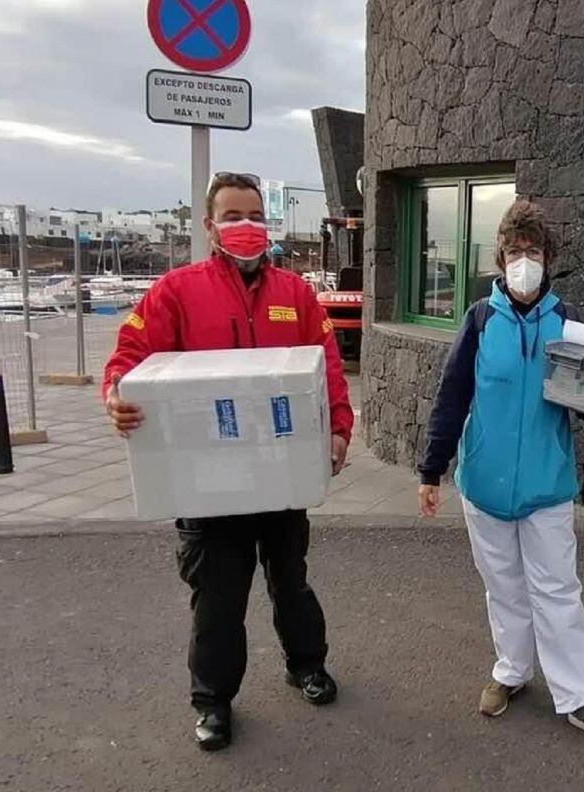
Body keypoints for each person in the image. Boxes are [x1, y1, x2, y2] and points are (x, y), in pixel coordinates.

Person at [103, 173, 354, 751]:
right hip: (206, 479)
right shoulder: (177, 291)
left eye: (253, 215)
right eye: (232, 216)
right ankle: (213, 702)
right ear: (210, 226)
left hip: (280, 469)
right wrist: (117, 394)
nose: (245, 226)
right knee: (218, 598)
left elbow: (327, 368)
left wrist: (338, 429)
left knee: (292, 582)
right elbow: (129, 356)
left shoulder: (295, 293)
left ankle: (306, 665)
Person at [417, 200, 584, 753]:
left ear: (548, 258)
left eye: (532, 252)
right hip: (484, 484)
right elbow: (452, 397)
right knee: (504, 588)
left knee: (557, 591)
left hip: (545, 485)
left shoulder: (567, 322)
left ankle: (580, 695)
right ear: (500, 258)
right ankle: (511, 669)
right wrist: (431, 469)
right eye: (514, 252)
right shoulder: (479, 320)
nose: (523, 262)